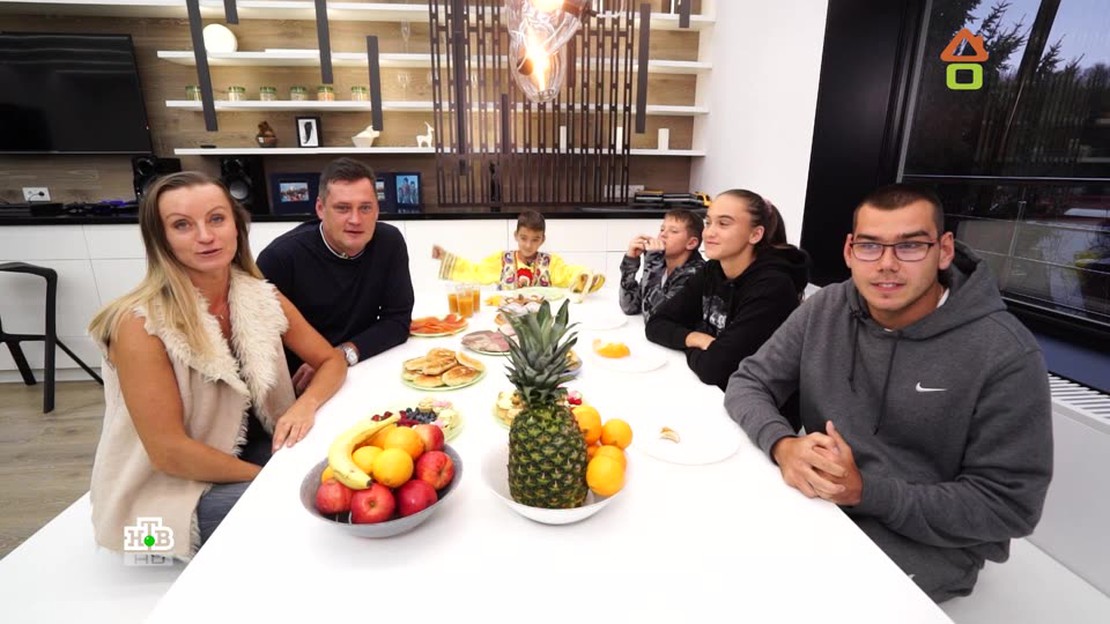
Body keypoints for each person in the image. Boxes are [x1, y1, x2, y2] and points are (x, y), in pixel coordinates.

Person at [724, 183, 1053, 602]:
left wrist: (865, 491)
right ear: (849, 251)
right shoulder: (828, 307)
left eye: (910, 246)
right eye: (870, 246)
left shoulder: (1004, 352)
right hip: (819, 503)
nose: (886, 264)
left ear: (944, 250)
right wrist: (783, 445)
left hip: (923, 543)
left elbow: (1009, 506)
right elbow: (749, 381)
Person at [87, 172, 346, 561]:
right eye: (182, 225)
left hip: (246, 457)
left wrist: (304, 405)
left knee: (349, 474)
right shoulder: (139, 324)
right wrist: (272, 480)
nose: (206, 236)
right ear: (160, 239)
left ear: (237, 226)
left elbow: (331, 361)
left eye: (216, 219)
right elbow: (169, 454)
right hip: (157, 503)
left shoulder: (260, 296)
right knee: (313, 515)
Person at [257, 158, 415, 392]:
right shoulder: (280, 258)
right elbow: (258, 344)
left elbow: (398, 321)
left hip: (362, 366)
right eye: (343, 208)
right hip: (301, 385)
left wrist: (341, 355)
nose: (355, 220)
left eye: (365, 208)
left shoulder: (389, 242)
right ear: (320, 209)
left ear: (377, 209)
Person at [646, 190, 809, 390]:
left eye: (723, 224)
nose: (708, 233)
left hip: (757, 401)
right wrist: (695, 338)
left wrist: (689, 341)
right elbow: (656, 323)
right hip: (713, 391)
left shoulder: (773, 287)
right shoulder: (712, 269)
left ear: (755, 234)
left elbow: (714, 368)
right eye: (708, 223)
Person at [432, 209, 605, 291]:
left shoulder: (551, 264)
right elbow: (476, 271)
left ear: (542, 240)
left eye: (535, 239)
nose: (528, 245)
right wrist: (445, 257)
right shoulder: (501, 261)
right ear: (516, 236)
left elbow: (568, 273)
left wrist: (585, 276)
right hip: (506, 321)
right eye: (524, 238)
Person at [619, 208, 706, 323]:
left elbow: (655, 319)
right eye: (662, 229)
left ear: (691, 243)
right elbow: (629, 306)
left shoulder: (696, 274)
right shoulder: (662, 265)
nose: (663, 234)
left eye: (673, 231)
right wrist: (631, 261)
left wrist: (653, 262)